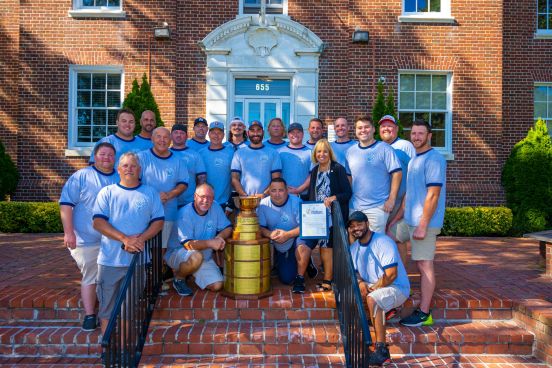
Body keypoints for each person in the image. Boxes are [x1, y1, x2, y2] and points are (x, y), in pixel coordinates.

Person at [92, 152, 164, 334]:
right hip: (110, 262)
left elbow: (158, 222)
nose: (129, 169)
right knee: (107, 308)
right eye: (125, 165)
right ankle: (107, 351)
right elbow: (98, 222)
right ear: (118, 169)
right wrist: (125, 239)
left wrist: (141, 239)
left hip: (137, 263)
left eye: (133, 166)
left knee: (128, 310)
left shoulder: (149, 193)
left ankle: (122, 349)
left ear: (139, 170)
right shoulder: (107, 193)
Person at [391, 119, 447, 327]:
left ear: (429, 135)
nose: (416, 137)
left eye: (420, 133)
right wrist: (396, 219)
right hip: (409, 219)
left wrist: (423, 224)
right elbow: (410, 193)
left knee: (424, 265)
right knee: (389, 237)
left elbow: (433, 195)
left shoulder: (434, 159)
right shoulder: (414, 158)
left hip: (425, 222)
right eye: (413, 133)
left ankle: (424, 312)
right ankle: (400, 284)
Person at [59, 142, 119, 331]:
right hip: (86, 239)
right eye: (102, 154)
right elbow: (66, 204)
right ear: (94, 156)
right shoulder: (81, 177)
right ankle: (90, 315)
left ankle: (108, 313)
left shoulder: (119, 178)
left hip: (112, 240)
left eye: (110, 155)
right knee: (91, 276)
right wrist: (68, 232)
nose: (106, 158)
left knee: (110, 277)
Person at [348, 211, 410, 367]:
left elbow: (391, 275)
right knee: (352, 293)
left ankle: (382, 352)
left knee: (374, 298)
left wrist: (373, 288)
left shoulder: (383, 242)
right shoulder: (354, 248)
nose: (356, 228)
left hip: (397, 287)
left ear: (367, 224)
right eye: (353, 226)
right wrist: (361, 283)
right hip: (374, 286)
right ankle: (382, 313)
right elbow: (355, 274)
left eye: (359, 224)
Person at [165, 184, 233, 295]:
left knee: (217, 285)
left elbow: (228, 227)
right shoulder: (185, 213)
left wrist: (219, 237)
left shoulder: (215, 207)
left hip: (203, 256)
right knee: (196, 256)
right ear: (195, 196)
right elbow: (188, 245)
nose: (206, 200)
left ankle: (191, 272)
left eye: (210, 197)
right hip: (178, 253)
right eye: (202, 196)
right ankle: (179, 278)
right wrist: (211, 243)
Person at [306, 139, 351, 291]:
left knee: (333, 247)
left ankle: (332, 279)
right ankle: (328, 278)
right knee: (324, 247)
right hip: (319, 217)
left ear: (330, 153)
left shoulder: (338, 169)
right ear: (315, 154)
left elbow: (347, 193)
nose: (322, 154)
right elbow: (312, 193)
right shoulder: (314, 171)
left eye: (325, 151)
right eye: (319, 151)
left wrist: (333, 198)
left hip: (335, 216)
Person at [257, 178, 316, 293]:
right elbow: (261, 227)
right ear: (269, 191)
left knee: (303, 242)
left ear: (287, 190)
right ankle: (302, 261)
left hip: (296, 237)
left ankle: (300, 278)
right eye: (273, 190)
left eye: (281, 190)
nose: (277, 194)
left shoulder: (297, 202)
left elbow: (307, 225)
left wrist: (287, 235)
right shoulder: (263, 204)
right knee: (287, 278)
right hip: (280, 242)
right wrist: (270, 234)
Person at [345, 116, 402, 234]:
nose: (363, 130)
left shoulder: (384, 149)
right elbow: (349, 177)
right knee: (355, 243)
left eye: (367, 127)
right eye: (360, 128)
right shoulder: (350, 152)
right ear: (355, 131)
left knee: (375, 243)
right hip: (355, 206)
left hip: (377, 207)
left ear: (373, 129)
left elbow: (397, 173)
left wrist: (391, 199)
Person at [137, 127, 188, 250]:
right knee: (140, 247)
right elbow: (132, 181)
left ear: (170, 140)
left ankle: (159, 269)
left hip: (167, 213)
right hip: (142, 212)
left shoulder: (177, 160)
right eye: (158, 136)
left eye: (165, 137)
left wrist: (168, 195)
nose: (162, 140)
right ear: (152, 139)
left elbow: (183, 184)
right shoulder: (141, 157)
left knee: (161, 249)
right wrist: (153, 198)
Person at [379, 114, 416, 265]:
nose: (386, 128)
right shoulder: (379, 147)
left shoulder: (405, 146)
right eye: (383, 126)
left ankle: (403, 276)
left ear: (396, 129)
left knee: (398, 238)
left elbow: (414, 174)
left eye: (390, 126)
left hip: (399, 201)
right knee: (382, 237)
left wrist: (405, 203)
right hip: (381, 202)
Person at [231, 120, 282, 197]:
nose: (255, 133)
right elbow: (235, 179)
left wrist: (264, 194)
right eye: (252, 130)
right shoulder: (239, 153)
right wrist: (245, 195)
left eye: (258, 130)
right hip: (245, 200)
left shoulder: (273, 153)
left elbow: (276, 179)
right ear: (248, 133)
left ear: (263, 133)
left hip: (267, 200)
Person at [199, 122, 235, 209]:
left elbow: (235, 178)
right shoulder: (200, 153)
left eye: (219, 132)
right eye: (213, 133)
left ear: (223, 135)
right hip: (205, 201)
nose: (216, 135)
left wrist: (231, 202)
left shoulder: (231, 153)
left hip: (225, 202)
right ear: (208, 134)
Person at [170, 124, 207, 208]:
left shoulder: (195, 155)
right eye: (176, 132)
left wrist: (198, 199)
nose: (179, 135)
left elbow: (201, 179)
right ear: (171, 135)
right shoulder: (165, 154)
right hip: (169, 202)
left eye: (182, 133)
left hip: (189, 202)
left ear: (186, 136)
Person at [278, 123, 311, 197]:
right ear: (288, 135)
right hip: (283, 194)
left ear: (302, 134)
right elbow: (276, 174)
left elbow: (312, 175)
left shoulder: (310, 152)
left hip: (304, 195)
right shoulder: (279, 152)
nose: (295, 135)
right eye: (292, 132)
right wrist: (283, 188)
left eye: (298, 132)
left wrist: (298, 190)